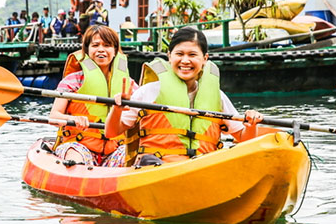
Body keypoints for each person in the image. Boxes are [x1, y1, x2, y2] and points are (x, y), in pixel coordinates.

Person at [106, 27, 264, 166]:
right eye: (179, 54)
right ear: (169, 56)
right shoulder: (148, 92)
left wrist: (251, 125)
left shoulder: (217, 97)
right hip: (156, 167)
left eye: (192, 55)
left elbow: (244, 139)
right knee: (150, 162)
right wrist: (117, 109)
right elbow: (111, 133)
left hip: (202, 167)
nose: (185, 60)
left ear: (204, 59)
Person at [49, 25, 137, 167]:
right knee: (75, 155)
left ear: (115, 51)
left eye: (107, 45)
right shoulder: (73, 81)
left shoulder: (128, 84)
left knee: (133, 157)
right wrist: (72, 118)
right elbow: (54, 116)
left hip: (115, 148)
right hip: (79, 145)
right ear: (87, 50)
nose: (101, 49)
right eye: (95, 45)